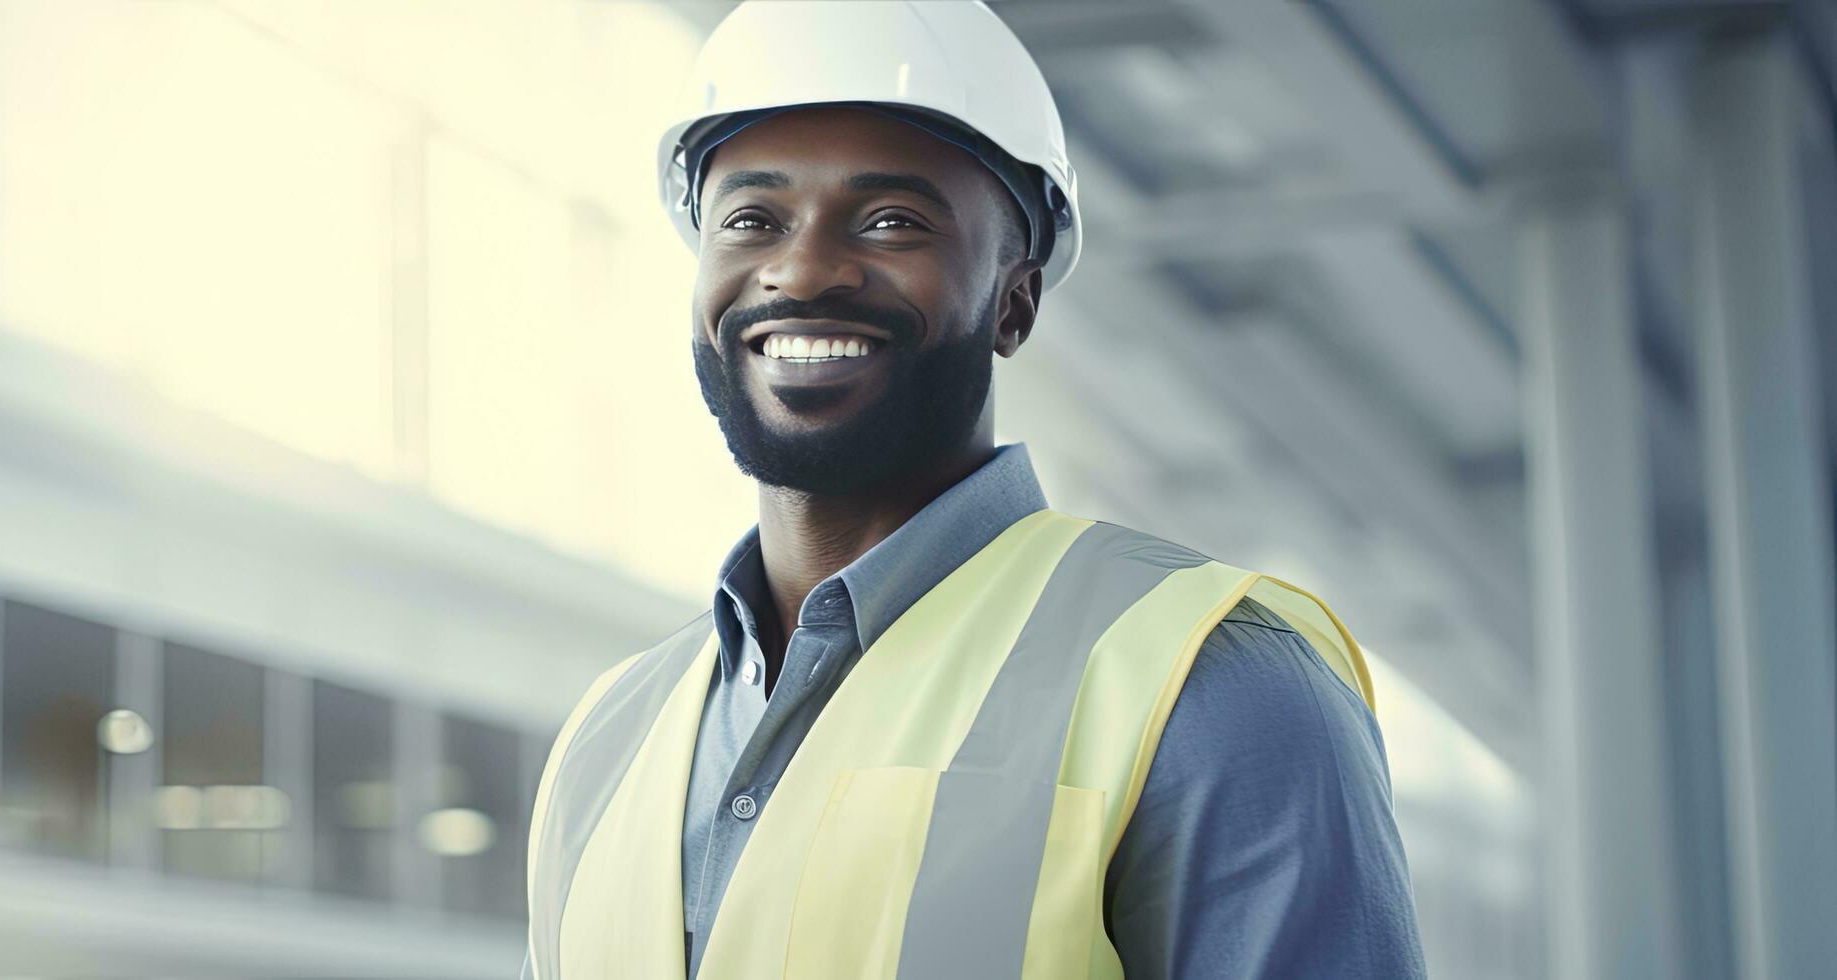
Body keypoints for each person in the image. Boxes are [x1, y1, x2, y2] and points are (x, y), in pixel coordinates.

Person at [522, 3, 1425, 977]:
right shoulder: (606, 739)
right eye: (750, 219)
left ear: (1014, 298)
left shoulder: (1212, 685)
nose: (800, 268)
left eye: (890, 221)